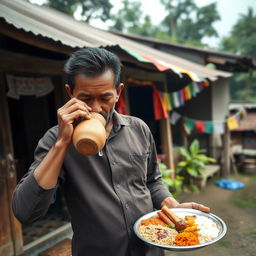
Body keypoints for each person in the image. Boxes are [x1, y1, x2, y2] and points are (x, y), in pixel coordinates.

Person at [12, 47, 210, 256]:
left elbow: (152, 180)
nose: (96, 108)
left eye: (105, 97)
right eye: (86, 98)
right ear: (70, 93)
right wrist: (62, 143)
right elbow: (25, 212)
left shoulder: (139, 129)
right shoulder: (55, 139)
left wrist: (173, 208)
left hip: (150, 249)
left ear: (118, 92)